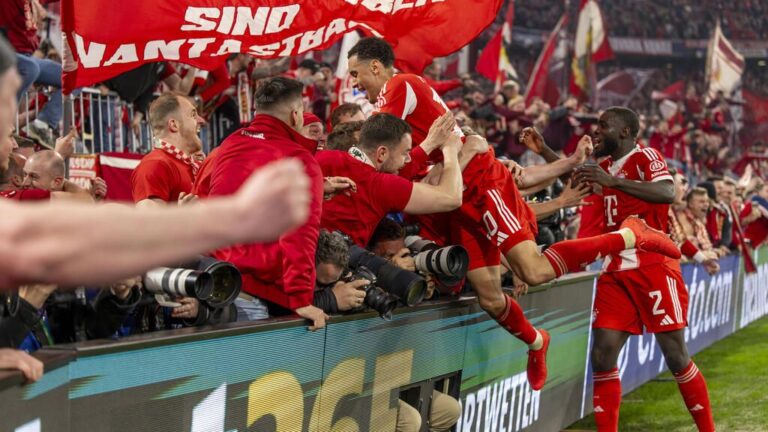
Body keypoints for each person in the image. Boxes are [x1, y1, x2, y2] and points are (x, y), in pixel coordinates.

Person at [347, 37, 679, 390]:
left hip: (476, 186)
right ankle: (537, 342)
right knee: (490, 297)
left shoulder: (399, 85)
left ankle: (630, 237)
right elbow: (400, 164)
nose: (353, 82)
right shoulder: (397, 98)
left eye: (355, 73)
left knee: (533, 271)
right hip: (448, 198)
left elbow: (382, 159)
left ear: (376, 67)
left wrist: (429, 157)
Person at [573, 107, 714, 432]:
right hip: (615, 270)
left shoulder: (646, 155)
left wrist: (613, 181)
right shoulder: (605, 166)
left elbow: (668, 192)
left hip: (653, 266)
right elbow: (582, 179)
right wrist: (544, 153)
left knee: (676, 356)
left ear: (624, 132)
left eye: (603, 126)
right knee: (603, 355)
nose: (597, 131)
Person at [203, 76, 329, 330]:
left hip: (215, 283)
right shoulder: (299, 159)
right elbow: (301, 231)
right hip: (258, 296)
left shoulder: (228, 145)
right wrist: (301, 297)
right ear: (296, 115)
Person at [317, 112, 463, 247]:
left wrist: (430, 143)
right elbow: (451, 198)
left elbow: (393, 168)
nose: (407, 159)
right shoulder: (381, 185)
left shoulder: (321, 157)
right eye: (405, 152)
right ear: (381, 153)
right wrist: (450, 149)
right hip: (338, 267)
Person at [131, 92, 205, 207]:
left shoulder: (192, 165)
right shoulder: (154, 165)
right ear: (174, 125)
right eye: (193, 115)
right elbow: (148, 224)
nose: (201, 120)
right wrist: (185, 217)